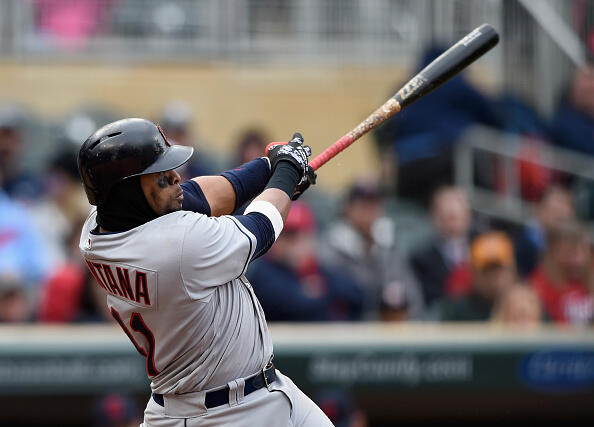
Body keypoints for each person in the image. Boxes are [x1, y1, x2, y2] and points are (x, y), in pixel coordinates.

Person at [77, 118, 330, 426]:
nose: (175, 177)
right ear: (129, 191)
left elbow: (199, 196)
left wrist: (270, 168)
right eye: (159, 175)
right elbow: (263, 226)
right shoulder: (177, 245)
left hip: (260, 390)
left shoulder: (96, 231)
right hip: (216, 414)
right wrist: (287, 176)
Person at [319, 178, 424, 320]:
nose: (370, 213)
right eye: (364, 206)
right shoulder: (330, 248)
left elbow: (413, 300)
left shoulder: (389, 248)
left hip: (389, 333)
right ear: (348, 209)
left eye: (374, 206)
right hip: (347, 332)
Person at [247, 201, 364, 322]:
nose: (295, 244)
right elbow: (292, 303)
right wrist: (318, 292)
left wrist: (321, 289)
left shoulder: (320, 269)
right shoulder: (263, 271)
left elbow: (357, 295)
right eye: (288, 236)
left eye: (301, 235)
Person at [430, 232, 516, 322]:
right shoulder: (456, 311)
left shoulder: (524, 307)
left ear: (512, 270)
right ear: (474, 273)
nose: (494, 278)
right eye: (486, 271)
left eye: (498, 269)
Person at [410, 186, 473, 306]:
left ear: (468, 215)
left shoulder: (483, 248)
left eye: (455, 217)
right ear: (434, 218)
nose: (451, 223)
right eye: (446, 217)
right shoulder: (421, 260)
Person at [529, 220, 594, 326]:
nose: (578, 260)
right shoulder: (539, 286)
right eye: (569, 253)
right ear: (552, 253)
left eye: (583, 251)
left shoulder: (589, 276)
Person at [513, 186, 575, 277]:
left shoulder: (573, 251)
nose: (559, 221)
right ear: (538, 208)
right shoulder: (520, 244)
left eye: (563, 217)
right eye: (555, 212)